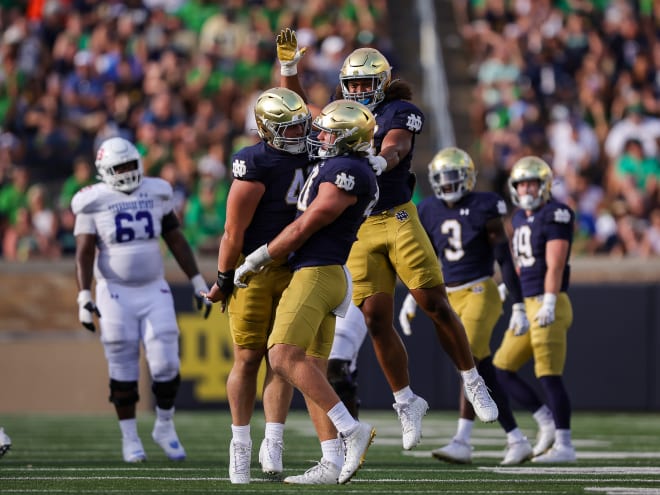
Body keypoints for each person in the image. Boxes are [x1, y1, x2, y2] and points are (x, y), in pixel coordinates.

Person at [277, 28, 498, 450]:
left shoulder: (399, 110)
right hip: (359, 225)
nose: (359, 91)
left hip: (396, 216)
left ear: (381, 82)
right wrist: (289, 70)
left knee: (432, 301)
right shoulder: (341, 112)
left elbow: (396, 144)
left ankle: (472, 378)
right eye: (353, 84)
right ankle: (405, 400)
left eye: (366, 84)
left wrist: (379, 159)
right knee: (377, 317)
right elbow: (299, 110)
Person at [227, 99, 379, 485]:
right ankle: (330, 461)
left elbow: (305, 225)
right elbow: (295, 111)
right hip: (321, 271)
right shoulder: (339, 162)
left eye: (328, 132)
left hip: (317, 271)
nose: (319, 136)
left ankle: (349, 429)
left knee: (280, 356)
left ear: (346, 140)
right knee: (311, 366)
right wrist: (289, 71)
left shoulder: (346, 170)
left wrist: (257, 258)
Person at [72, 136, 212, 463]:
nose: (126, 173)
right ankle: (129, 437)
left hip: (153, 288)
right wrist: (83, 295)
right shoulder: (91, 201)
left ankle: (164, 425)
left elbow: (175, 238)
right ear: (104, 170)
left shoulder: (156, 190)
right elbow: (84, 252)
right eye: (118, 168)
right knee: (122, 361)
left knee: (166, 362)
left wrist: (195, 282)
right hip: (114, 292)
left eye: (130, 165)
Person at [202, 87, 313, 483]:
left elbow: (308, 112)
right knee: (248, 359)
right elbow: (233, 232)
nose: (300, 132)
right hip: (253, 269)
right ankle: (240, 444)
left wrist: (289, 74)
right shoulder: (253, 162)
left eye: (301, 124)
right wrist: (223, 279)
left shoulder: (312, 147)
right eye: (289, 126)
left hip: (297, 268)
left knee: (282, 357)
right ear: (266, 129)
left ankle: (274, 440)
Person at [398, 147, 535, 465]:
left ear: (468, 178)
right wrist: (411, 295)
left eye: (453, 178)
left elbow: (504, 258)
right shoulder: (429, 209)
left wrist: (517, 305)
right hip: (447, 295)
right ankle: (516, 437)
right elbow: (425, 259)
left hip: (479, 291)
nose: (447, 185)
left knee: (468, 359)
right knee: (480, 368)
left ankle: (462, 440)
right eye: (442, 179)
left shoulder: (484, 206)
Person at [492, 156, 577, 463]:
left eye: (532, 183)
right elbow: (519, 263)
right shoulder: (517, 218)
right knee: (502, 369)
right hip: (527, 302)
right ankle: (546, 422)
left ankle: (565, 445)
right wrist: (509, 290)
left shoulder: (556, 213)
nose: (527, 189)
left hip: (548, 302)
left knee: (548, 375)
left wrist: (550, 300)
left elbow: (554, 264)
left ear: (545, 185)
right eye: (522, 183)